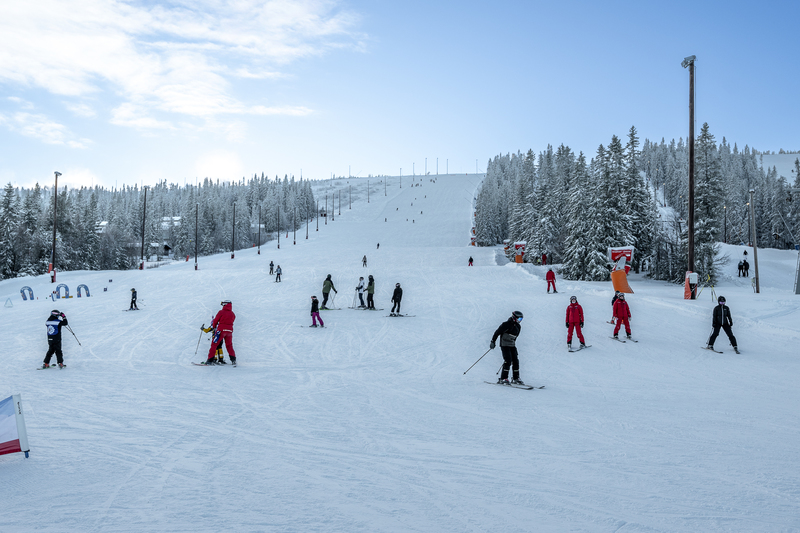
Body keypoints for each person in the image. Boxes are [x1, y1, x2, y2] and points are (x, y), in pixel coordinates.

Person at [490, 311, 525, 385]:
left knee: (515, 361)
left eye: (521, 319)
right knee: (508, 360)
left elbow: (515, 337)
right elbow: (497, 332)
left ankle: (516, 378)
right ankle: (503, 378)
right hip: (504, 344)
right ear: (514, 317)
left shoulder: (518, 327)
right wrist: (493, 341)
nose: (520, 321)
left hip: (512, 345)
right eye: (519, 319)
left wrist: (513, 344)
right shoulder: (506, 324)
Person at [203, 301, 236, 365]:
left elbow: (215, 321)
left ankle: (210, 360)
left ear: (225, 304)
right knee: (229, 345)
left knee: (214, 345)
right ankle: (233, 360)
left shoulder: (221, 312)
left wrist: (213, 327)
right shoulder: (232, 314)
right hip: (229, 331)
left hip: (221, 331)